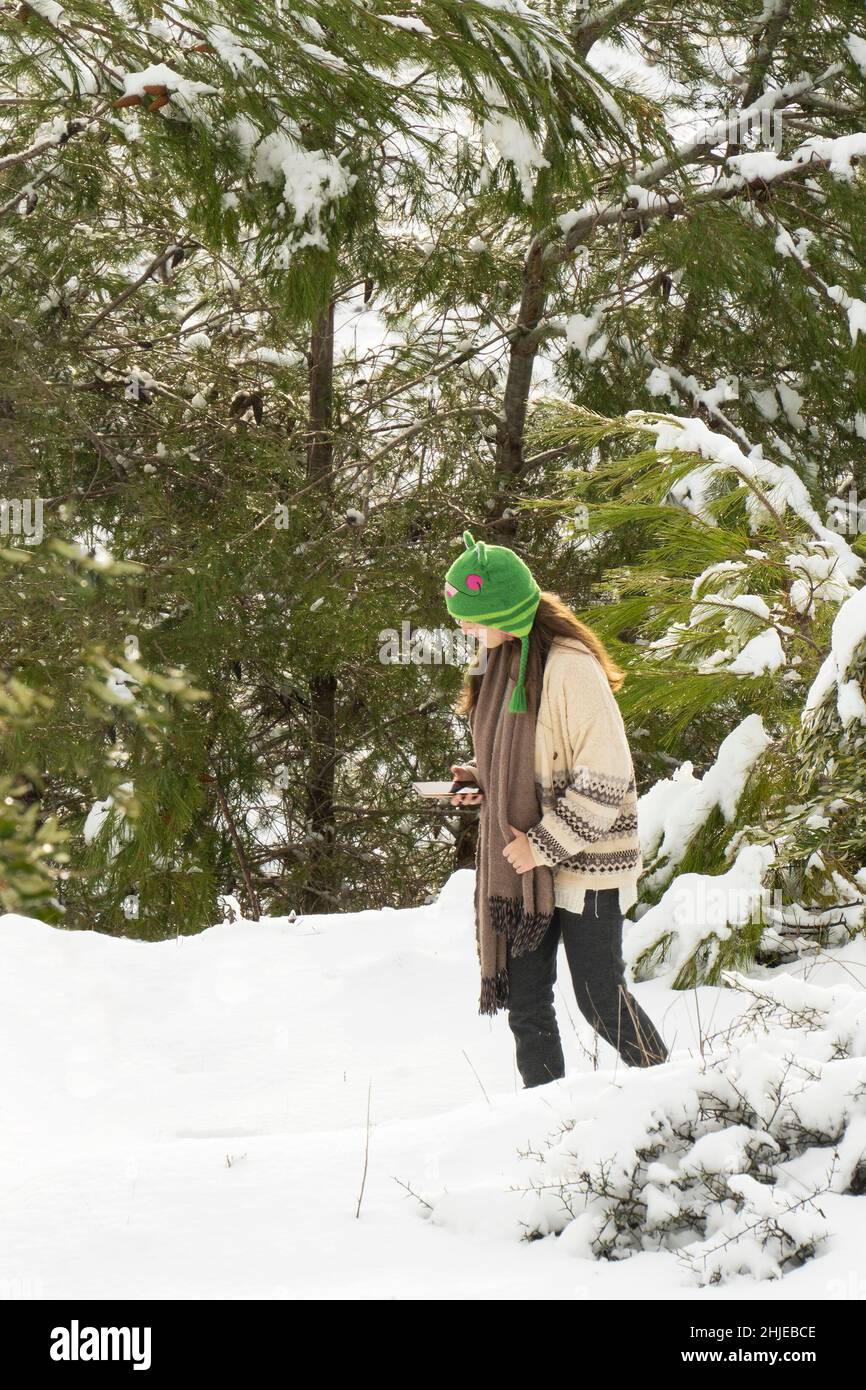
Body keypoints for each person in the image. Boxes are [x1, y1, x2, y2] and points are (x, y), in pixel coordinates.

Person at [442, 529, 668, 1087]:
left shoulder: (570, 667)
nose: (465, 629)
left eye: (472, 616)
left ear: (503, 607)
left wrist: (540, 843)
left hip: (587, 864)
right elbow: (525, 761)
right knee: (526, 1007)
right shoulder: (498, 665)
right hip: (525, 874)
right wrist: (480, 781)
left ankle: (673, 1089)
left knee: (599, 999)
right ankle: (549, 1125)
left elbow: (607, 778)